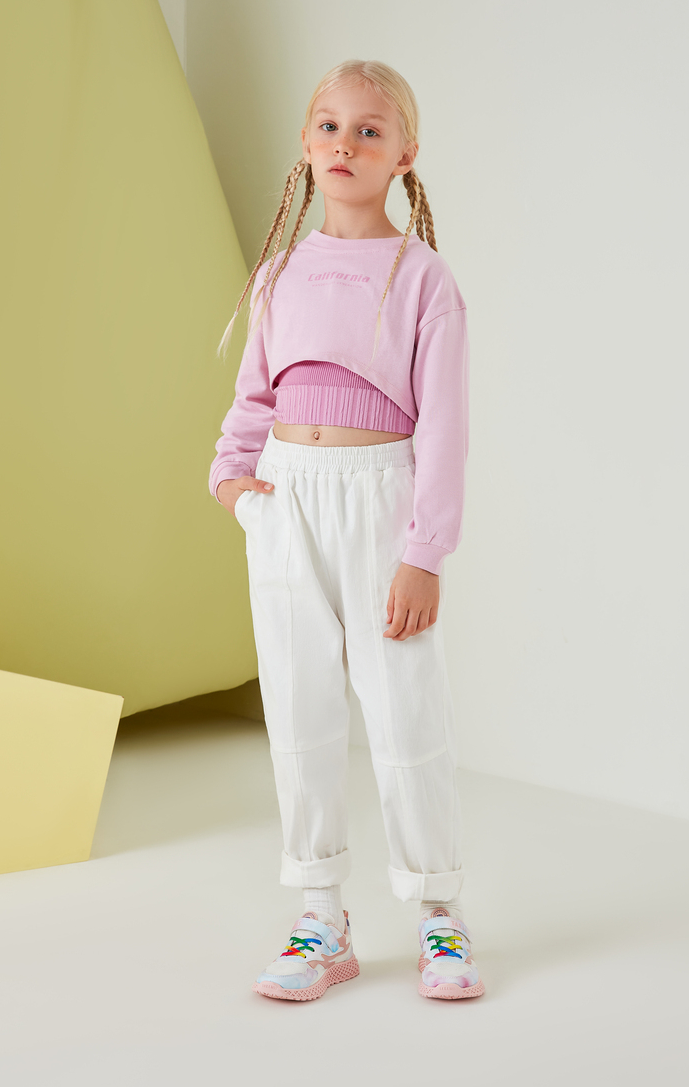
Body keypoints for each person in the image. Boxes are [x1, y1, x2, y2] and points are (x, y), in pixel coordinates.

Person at [209, 60, 483, 1002]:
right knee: (299, 713)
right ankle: (321, 916)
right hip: (287, 502)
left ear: (406, 154)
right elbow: (254, 396)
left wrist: (424, 553)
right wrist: (236, 485)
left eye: (370, 130)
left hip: (380, 502)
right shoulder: (279, 273)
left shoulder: (424, 279)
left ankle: (440, 912)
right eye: (328, 125)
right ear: (304, 142)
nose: (345, 144)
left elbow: (443, 429)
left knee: (406, 712)